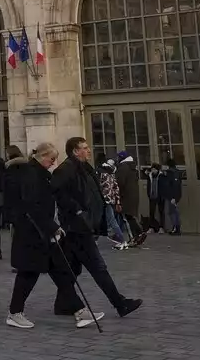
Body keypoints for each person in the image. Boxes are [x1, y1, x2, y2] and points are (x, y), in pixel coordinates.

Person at [4, 142, 100, 330]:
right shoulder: (30, 174)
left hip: (42, 232)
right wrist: (52, 227)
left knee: (61, 272)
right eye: (51, 159)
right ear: (41, 156)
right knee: (28, 273)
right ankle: (15, 313)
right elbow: (32, 206)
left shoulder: (39, 174)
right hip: (32, 232)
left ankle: (80, 311)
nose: (53, 163)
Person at [52, 137, 142, 320]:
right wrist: (77, 211)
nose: (89, 151)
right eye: (84, 148)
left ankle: (62, 303)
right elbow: (58, 192)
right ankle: (120, 303)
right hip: (77, 227)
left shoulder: (85, 168)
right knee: (98, 267)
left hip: (84, 225)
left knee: (72, 269)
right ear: (75, 151)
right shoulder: (66, 169)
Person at [115, 152, 147, 246]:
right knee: (131, 216)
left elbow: (120, 182)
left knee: (126, 217)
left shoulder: (123, 167)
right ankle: (138, 234)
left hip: (125, 195)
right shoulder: (132, 167)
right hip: (133, 194)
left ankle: (135, 236)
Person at [99, 160, 127, 249]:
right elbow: (116, 189)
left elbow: (99, 187)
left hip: (103, 200)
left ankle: (122, 240)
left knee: (111, 220)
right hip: (110, 200)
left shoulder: (102, 175)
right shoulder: (112, 175)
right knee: (109, 220)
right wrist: (117, 202)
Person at [162, 157, 183, 235]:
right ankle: (177, 228)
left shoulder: (170, 173)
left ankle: (175, 228)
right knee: (175, 211)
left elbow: (171, 185)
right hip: (176, 194)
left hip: (172, 195)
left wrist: (172, 196)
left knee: (172, 212)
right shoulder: (177, 172)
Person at [145, 163, 164, 233]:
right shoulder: (150, 176)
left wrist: (162, 195)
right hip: (152, 196)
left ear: (157, 170)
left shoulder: (161, 176)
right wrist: (149, 194)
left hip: (160, 196)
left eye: (154, 169)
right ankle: (151, 227)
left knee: (161, 212)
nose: (153, 171)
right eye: (152, 169)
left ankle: (161, 227)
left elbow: (163, 186)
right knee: (151, 212)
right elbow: (148, 186)